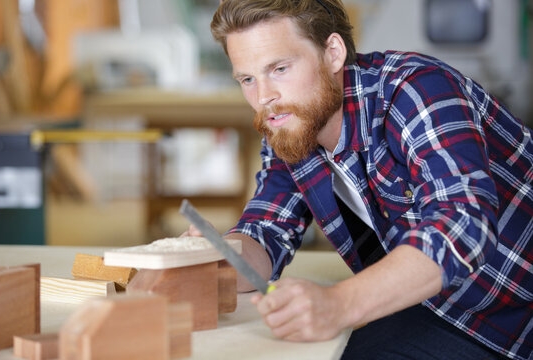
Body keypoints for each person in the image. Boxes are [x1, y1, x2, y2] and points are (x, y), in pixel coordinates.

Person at [182, 1, 533, 359]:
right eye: (247, 79)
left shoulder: (415, 89)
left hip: (517, 323)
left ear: (333, 53)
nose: (263, 97)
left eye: (280, 68)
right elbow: (265, 230)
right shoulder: (290, 124)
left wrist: (339, 303)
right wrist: (219, 258)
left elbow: (464, 222)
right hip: (433, 307)